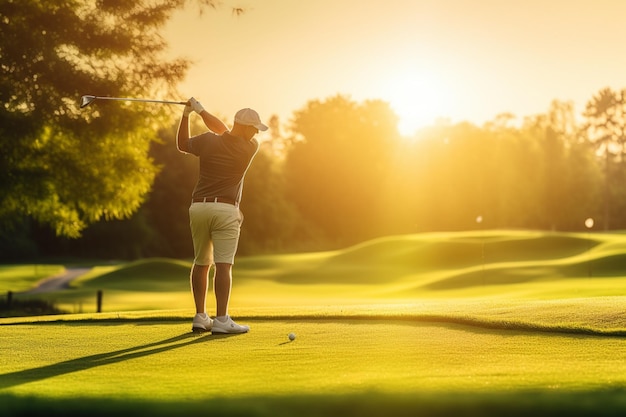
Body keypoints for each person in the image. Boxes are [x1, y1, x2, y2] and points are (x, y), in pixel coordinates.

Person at [176, 97, 268, 334]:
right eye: (254, 129)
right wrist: (200, 111)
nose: (256, 134)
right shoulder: (249, 147)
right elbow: (223, 131)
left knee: (201, 263)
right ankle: (222, 319)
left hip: (198, 207)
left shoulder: (208, 141)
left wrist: (188, 115)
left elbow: (183, 144)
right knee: (223, 266)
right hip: (226, 209)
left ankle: (200, 316)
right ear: (246, 127)